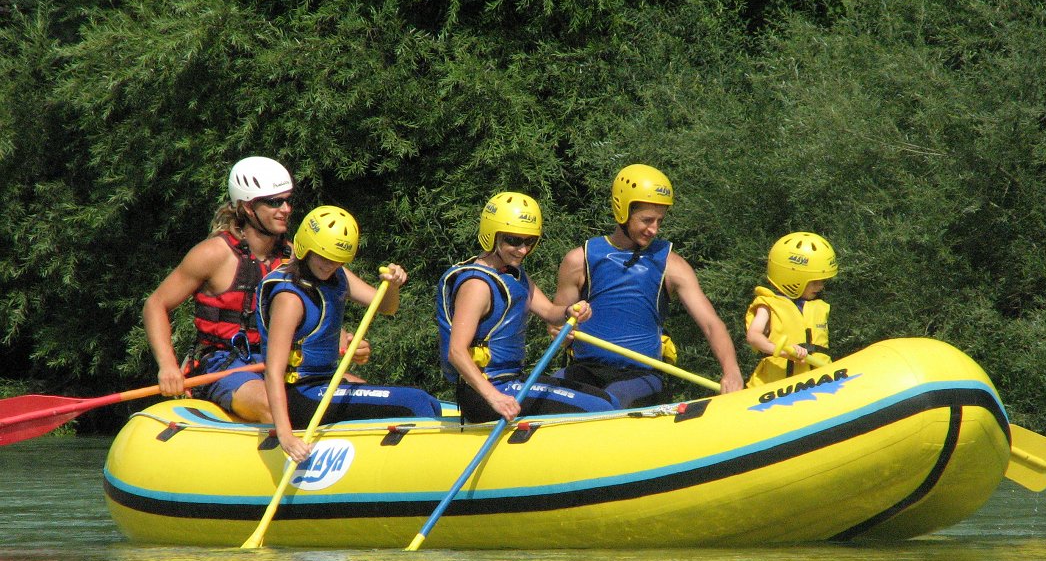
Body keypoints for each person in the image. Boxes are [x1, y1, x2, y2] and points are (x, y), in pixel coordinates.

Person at [257, 205, 442, 463]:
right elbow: (273, 372)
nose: (329, 265)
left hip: (327, 384)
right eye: (324, 256)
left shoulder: (337, 273)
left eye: (337, 259)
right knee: (415, 402)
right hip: (301, 395)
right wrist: (286, 436)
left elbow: (386, 306)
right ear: (306, 247)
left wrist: (393, 284)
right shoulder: (290, 298)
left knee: (430, 403)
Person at [551, 163, 744, 407]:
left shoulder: (672, 265)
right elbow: (555, 321)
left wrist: (731, 370)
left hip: (641, 376)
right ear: (623, 212)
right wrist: (561, 330)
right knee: (546, 394)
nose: (654, 229)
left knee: (608, 402)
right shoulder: (578, 260)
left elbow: (710, 323)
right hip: (585, 370)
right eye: (647, 220)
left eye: (659, 221)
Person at [436, 191, 619, 423]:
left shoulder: (514, 275)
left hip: (513, 383)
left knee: (606, 399)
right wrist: (495, 398)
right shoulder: (477, 285)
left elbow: (550, 312)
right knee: (596, 408)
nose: (522, 250)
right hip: (484, 395)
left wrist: (570, 312)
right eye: (513, 240)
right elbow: (456, 352)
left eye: (529, 241)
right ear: (492, 235)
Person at [143, 156, 298, 422]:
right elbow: (155, 305)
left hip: (276, 361)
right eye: (274, 202)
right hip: (222, 364)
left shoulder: (291, 257)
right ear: (249, 208)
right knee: (276, 407)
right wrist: (168, 367)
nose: (285, 209)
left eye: (287, 200)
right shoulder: (213, 254)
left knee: (350, 392)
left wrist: (340, 337)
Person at [744, 231, 837, 387]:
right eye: (815, 282)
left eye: (822, 281)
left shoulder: (818, 306)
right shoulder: (768, 305)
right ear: (793, 277)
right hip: (779, 385)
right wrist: (783, 351)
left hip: (818, 380)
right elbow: (753, 336)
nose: (820, 286)